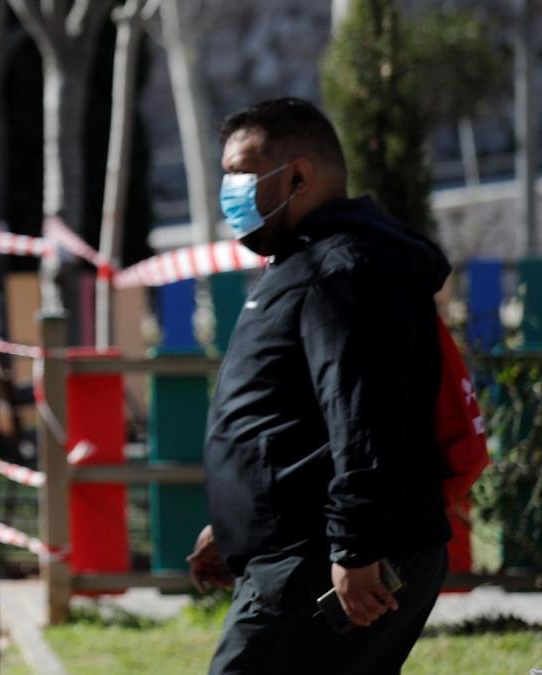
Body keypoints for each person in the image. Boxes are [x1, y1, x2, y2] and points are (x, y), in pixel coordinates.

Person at [186, 98, 451, 674]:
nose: (230, 189)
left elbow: (363, 414)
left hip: (320, 560)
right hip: (298, 549)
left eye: (241, 172)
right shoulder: (306, 264)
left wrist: (354, 548)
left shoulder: (341, 270)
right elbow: (292, 414)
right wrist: (235, 527)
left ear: (299, 175)